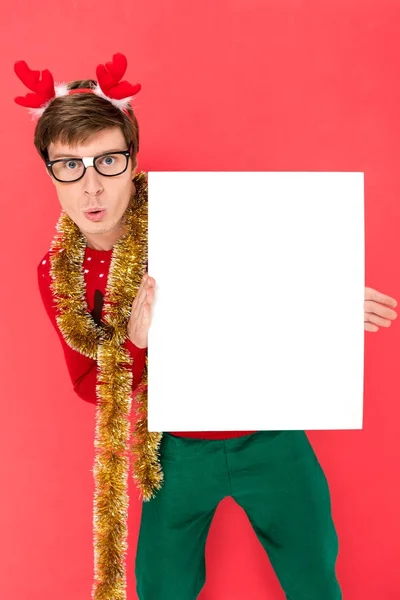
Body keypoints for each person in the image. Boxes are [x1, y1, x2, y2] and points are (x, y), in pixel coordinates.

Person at [15, 53, 397, 600]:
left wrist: (324, 306)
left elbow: (260, 280)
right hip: (173, 451)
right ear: (50, 170)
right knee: (162, 587)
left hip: (272, 432)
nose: (92, 187)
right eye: (70, 165)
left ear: (133, 160)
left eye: (108, 162)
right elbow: (85, 385)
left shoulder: (194, 213)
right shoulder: (59, 274)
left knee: (315, 574)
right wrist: (136, 340)